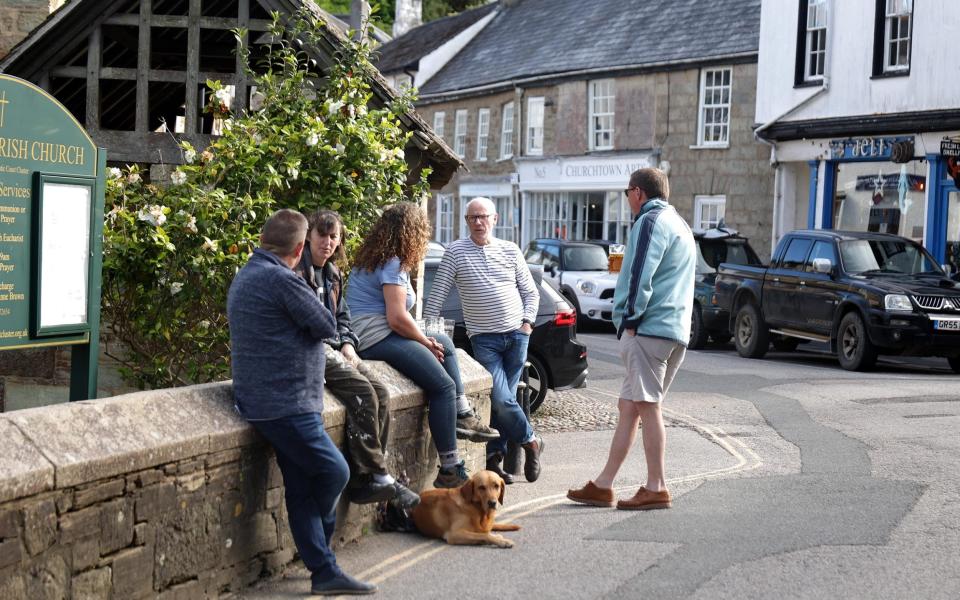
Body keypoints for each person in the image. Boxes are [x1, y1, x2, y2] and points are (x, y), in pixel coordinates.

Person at [227, 209, 375, 595]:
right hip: (287, 401)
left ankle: (322, 567)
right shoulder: (282, 279)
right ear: (298, 248)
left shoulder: (247, 274)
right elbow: (327, 325)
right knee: (334, 473)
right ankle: (322, 553)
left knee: (299, 485)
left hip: (266, 398)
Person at [567, 167, 695, 511]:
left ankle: (656, 486)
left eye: (627, 194)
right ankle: (604, 484)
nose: (628, 201)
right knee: (630, 407)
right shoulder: (680, 224)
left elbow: (640, 273)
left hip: (649, 328)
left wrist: (631, 321)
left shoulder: (650, 222)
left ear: (637, 192)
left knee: (648, 407)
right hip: (674, 329)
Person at [345, 202, 498, 490]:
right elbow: (397, 318)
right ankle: (451, 467)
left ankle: (463, 413)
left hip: (375, 331)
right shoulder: (392, 262)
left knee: (443, 341)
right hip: (374, 336)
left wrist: (429, 340)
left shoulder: (379, 257)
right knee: (442, 387)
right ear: (412, 231)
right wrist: (423, 341)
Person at [295, 209, 419, 509]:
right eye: (321, 235)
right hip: (314, 349)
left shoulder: (334, 274)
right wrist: (337, 344)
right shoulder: (298, 272)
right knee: (362, 392)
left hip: (339, 348)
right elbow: (307, 324)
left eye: (333, 236)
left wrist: (349, 344)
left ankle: (370, 478)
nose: (327, 242)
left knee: (381, 392)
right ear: (308, 236)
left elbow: (343, 319)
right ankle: (375, 474)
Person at [423, 196, 544, 485]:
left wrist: (527, 323)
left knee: (504, 402)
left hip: (517, 336)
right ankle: (532, 442)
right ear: (466, 221)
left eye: (483, 216)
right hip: (484, 340)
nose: (478, 222)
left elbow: (531, 293)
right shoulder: (455, 252)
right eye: (472, 218)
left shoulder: (510, 250)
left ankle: (494, 462)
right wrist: (426, 332)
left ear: (494, 219)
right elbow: (437, 295)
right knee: (502, 400)